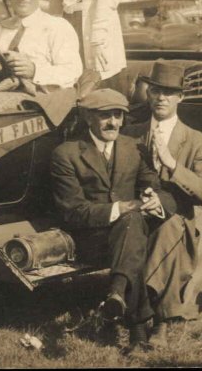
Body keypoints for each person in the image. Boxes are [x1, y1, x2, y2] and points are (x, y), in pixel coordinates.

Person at [51, 88, 175, 352]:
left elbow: (159, 189)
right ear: (88, 117)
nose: (113, 122)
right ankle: (137, 324)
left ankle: (118, 295)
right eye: (105, 115)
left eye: (118, 115)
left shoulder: (133, 148)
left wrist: (156, 201)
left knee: (131, 227)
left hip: (128, 232)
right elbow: (72, 211)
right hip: (90, 238)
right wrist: (120, 207)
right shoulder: (66, 154)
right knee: (131, 227)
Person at [121, 61, 202, 346]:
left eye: (169, 92)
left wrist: (173, 165)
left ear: (181, 97)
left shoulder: (197, 141)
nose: (161, 98)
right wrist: (141, 201)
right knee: (137, 230)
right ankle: (152, 316)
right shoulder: (131, 133)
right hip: (136, 210)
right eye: (156, 91)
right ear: (148, 94)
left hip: (178, 216)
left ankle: (154, 320)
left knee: (168, 230)